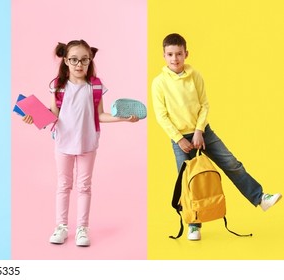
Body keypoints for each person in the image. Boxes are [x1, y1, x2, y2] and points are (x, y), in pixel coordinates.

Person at [151, 33, 281, 241]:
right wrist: (179, 138)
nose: (174, 58)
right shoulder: (159, 83)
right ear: (164, 56)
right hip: (180, 139)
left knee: (231, 163)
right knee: (189, 182)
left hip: (203, 132)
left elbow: (204, 104)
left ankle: (259, 198)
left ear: (186, 54)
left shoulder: (196, 76)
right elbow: (161, 115)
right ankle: (194, 224)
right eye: (170, 54)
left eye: (178, 54)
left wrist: (200, 130)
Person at [23, 40, 139, 247]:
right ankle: (61, 227)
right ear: (66, 61)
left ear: (90, 60)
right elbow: (53, 115)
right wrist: (34, 116)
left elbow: (101, 115)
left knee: (84, 186)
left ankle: (82, 229)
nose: (79, 64)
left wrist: (123, 118)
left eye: (84, 60)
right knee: (63, 185)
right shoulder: (58, 86)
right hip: (63, 143)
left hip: (88, 143)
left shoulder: (95, 85)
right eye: (74, 60)